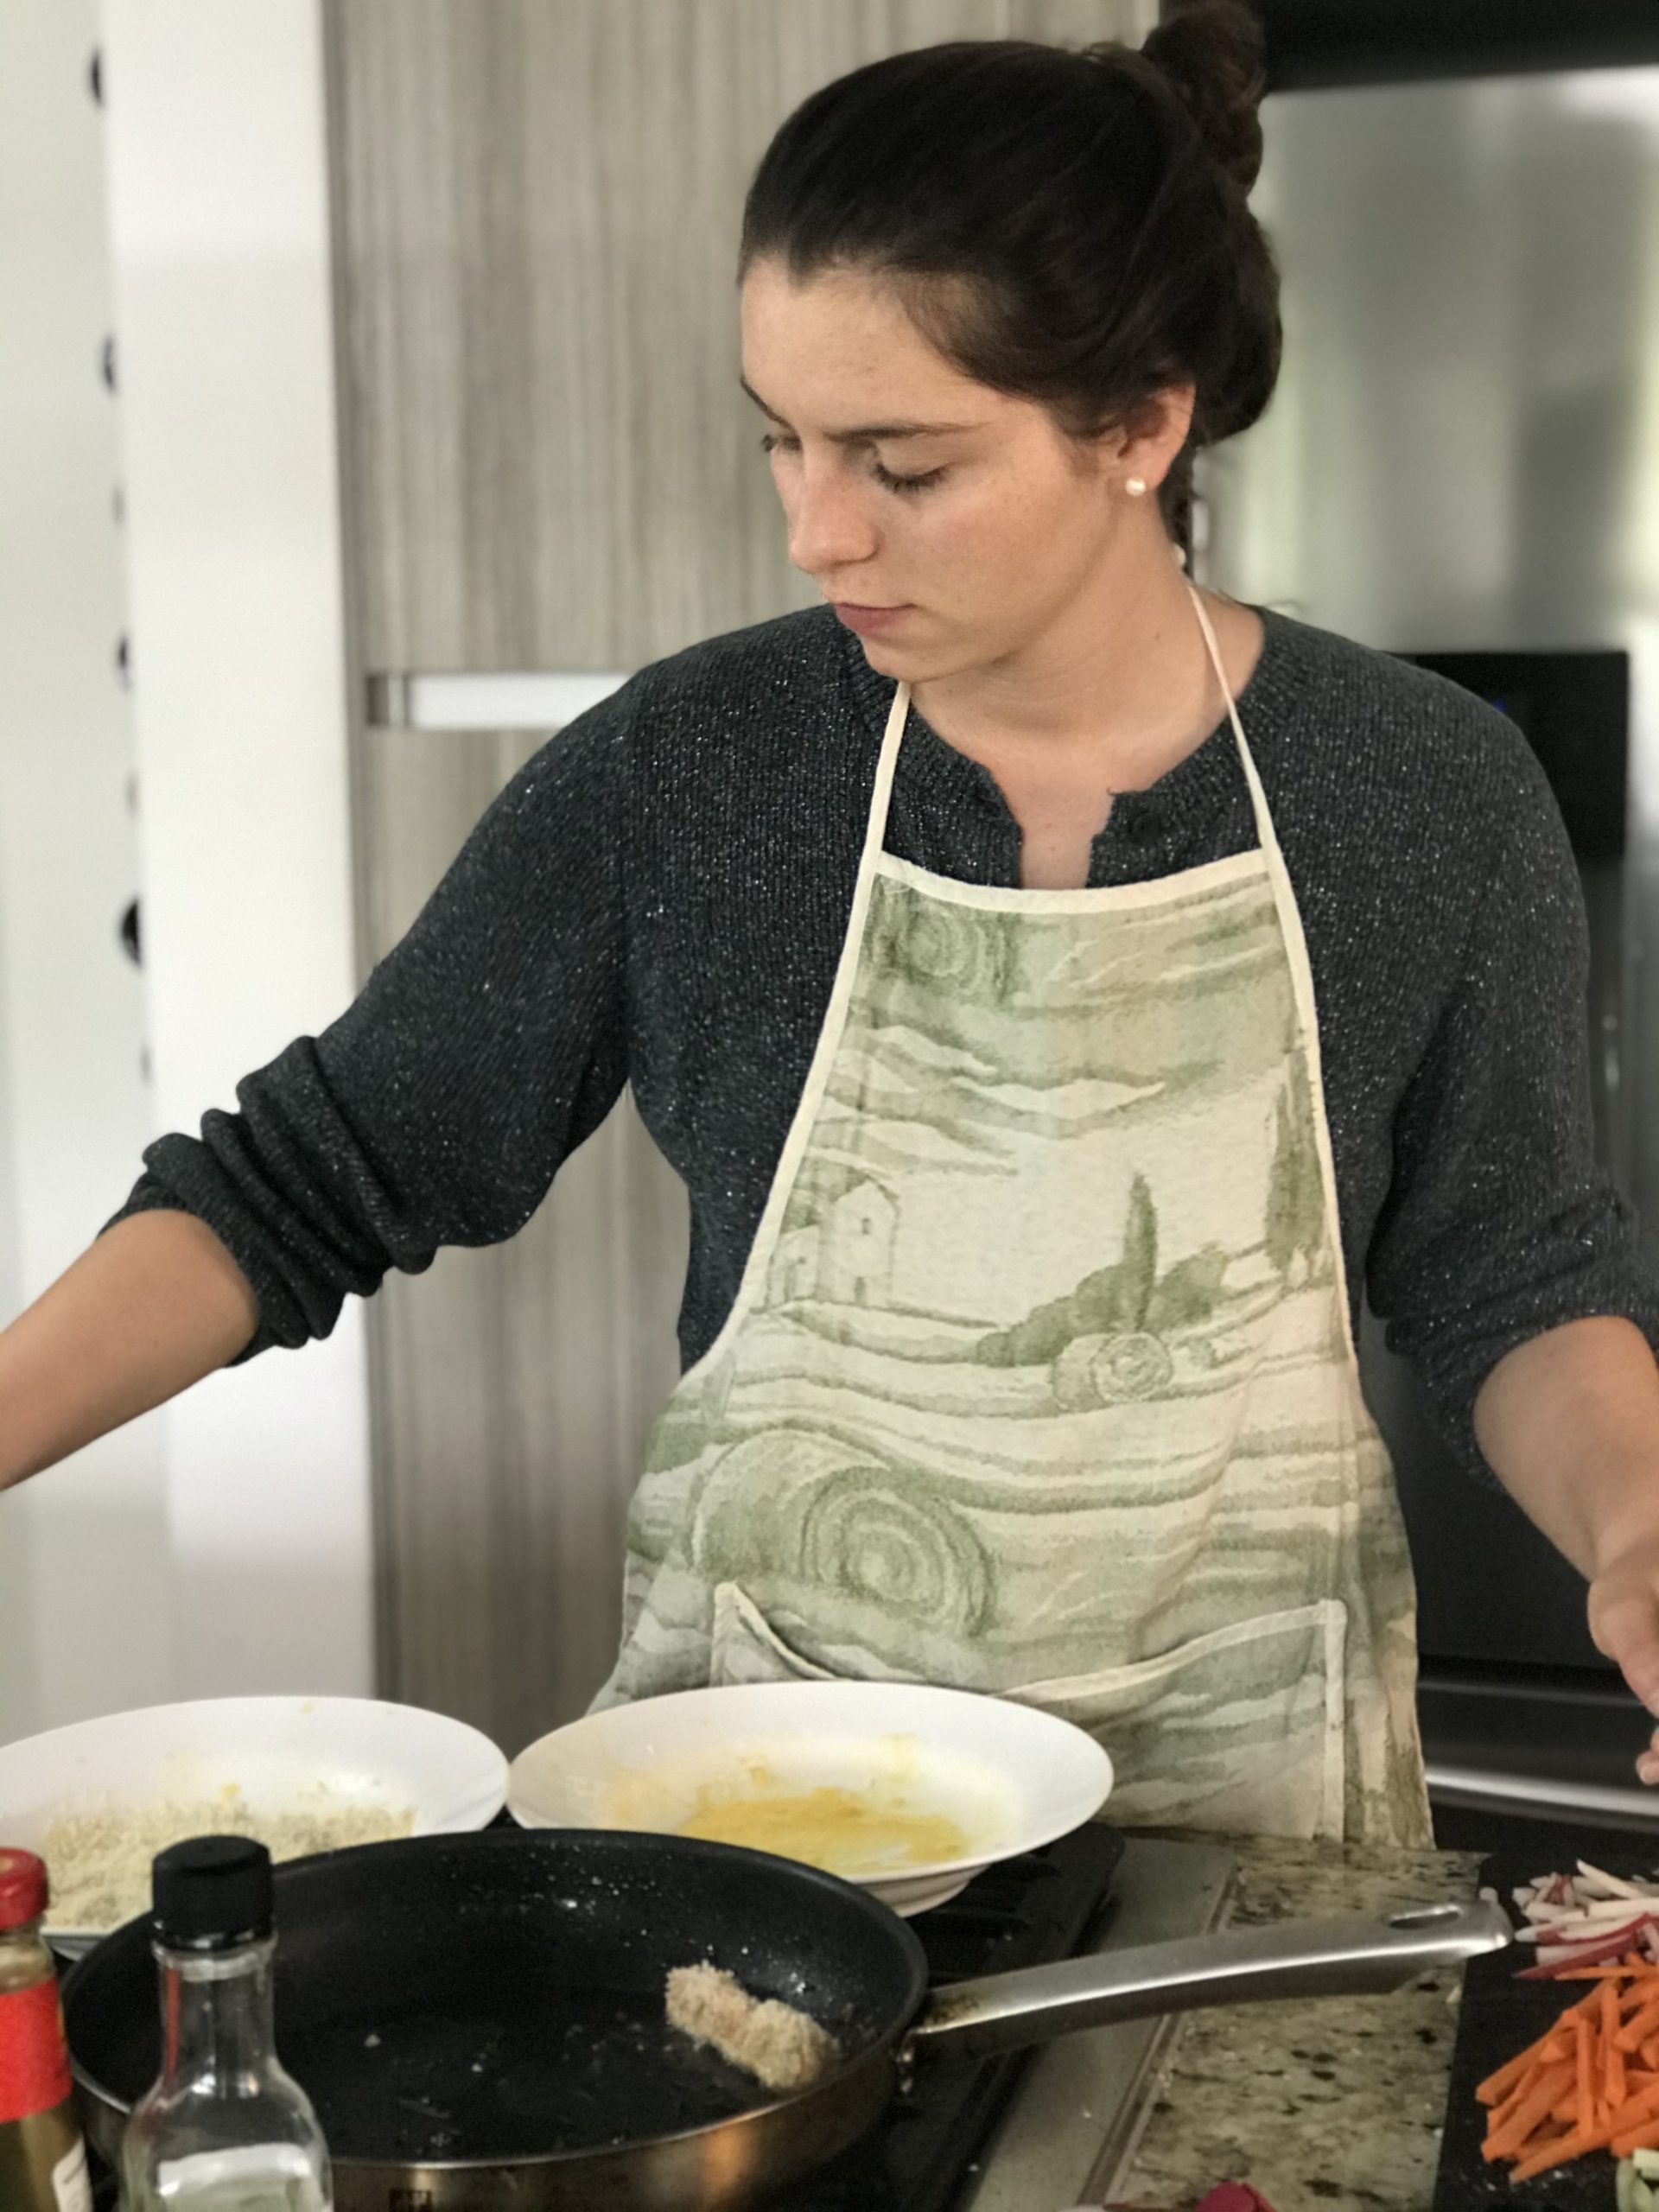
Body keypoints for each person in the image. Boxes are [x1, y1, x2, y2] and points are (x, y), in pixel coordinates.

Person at [4, 3, 1659, 1841]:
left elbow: (1515, 1276)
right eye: (781, 442)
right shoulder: (697, 767)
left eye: (904, 464)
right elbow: (307, 1177)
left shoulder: (1421, 790)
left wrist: (1638, 1528)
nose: (818, 532)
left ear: (1141, 422)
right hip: (769, 1826)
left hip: (1252, 1850)